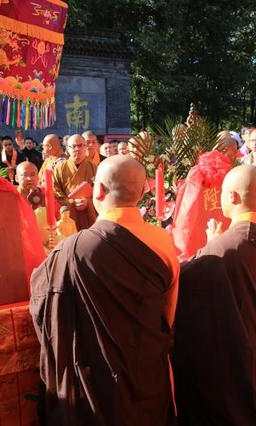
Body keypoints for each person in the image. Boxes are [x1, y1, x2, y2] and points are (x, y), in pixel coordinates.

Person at [30, 155, 179, 425]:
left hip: (95, 376)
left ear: (98, 191)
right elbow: (169, 312)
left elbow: (42, 303)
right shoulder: (162, 241)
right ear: (145, 191)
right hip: (146, 364)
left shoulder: (71, 249)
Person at [173, 165, 256, 425]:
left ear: (233, 197)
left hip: (232, 334)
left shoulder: (226, 245)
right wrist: (217, 243)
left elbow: (185, 279)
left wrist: (210, 246)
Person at [52, 134, 98, 230]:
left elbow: (99, 190)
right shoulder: (59, 168)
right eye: (73, 146)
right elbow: (55, 190)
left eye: (81, 145)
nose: (77, 149)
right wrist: (71, 202)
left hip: (89, 212)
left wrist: (88, 202)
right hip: (67, 213)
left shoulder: (95, 167)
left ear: (86, 147)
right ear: (68, 149)